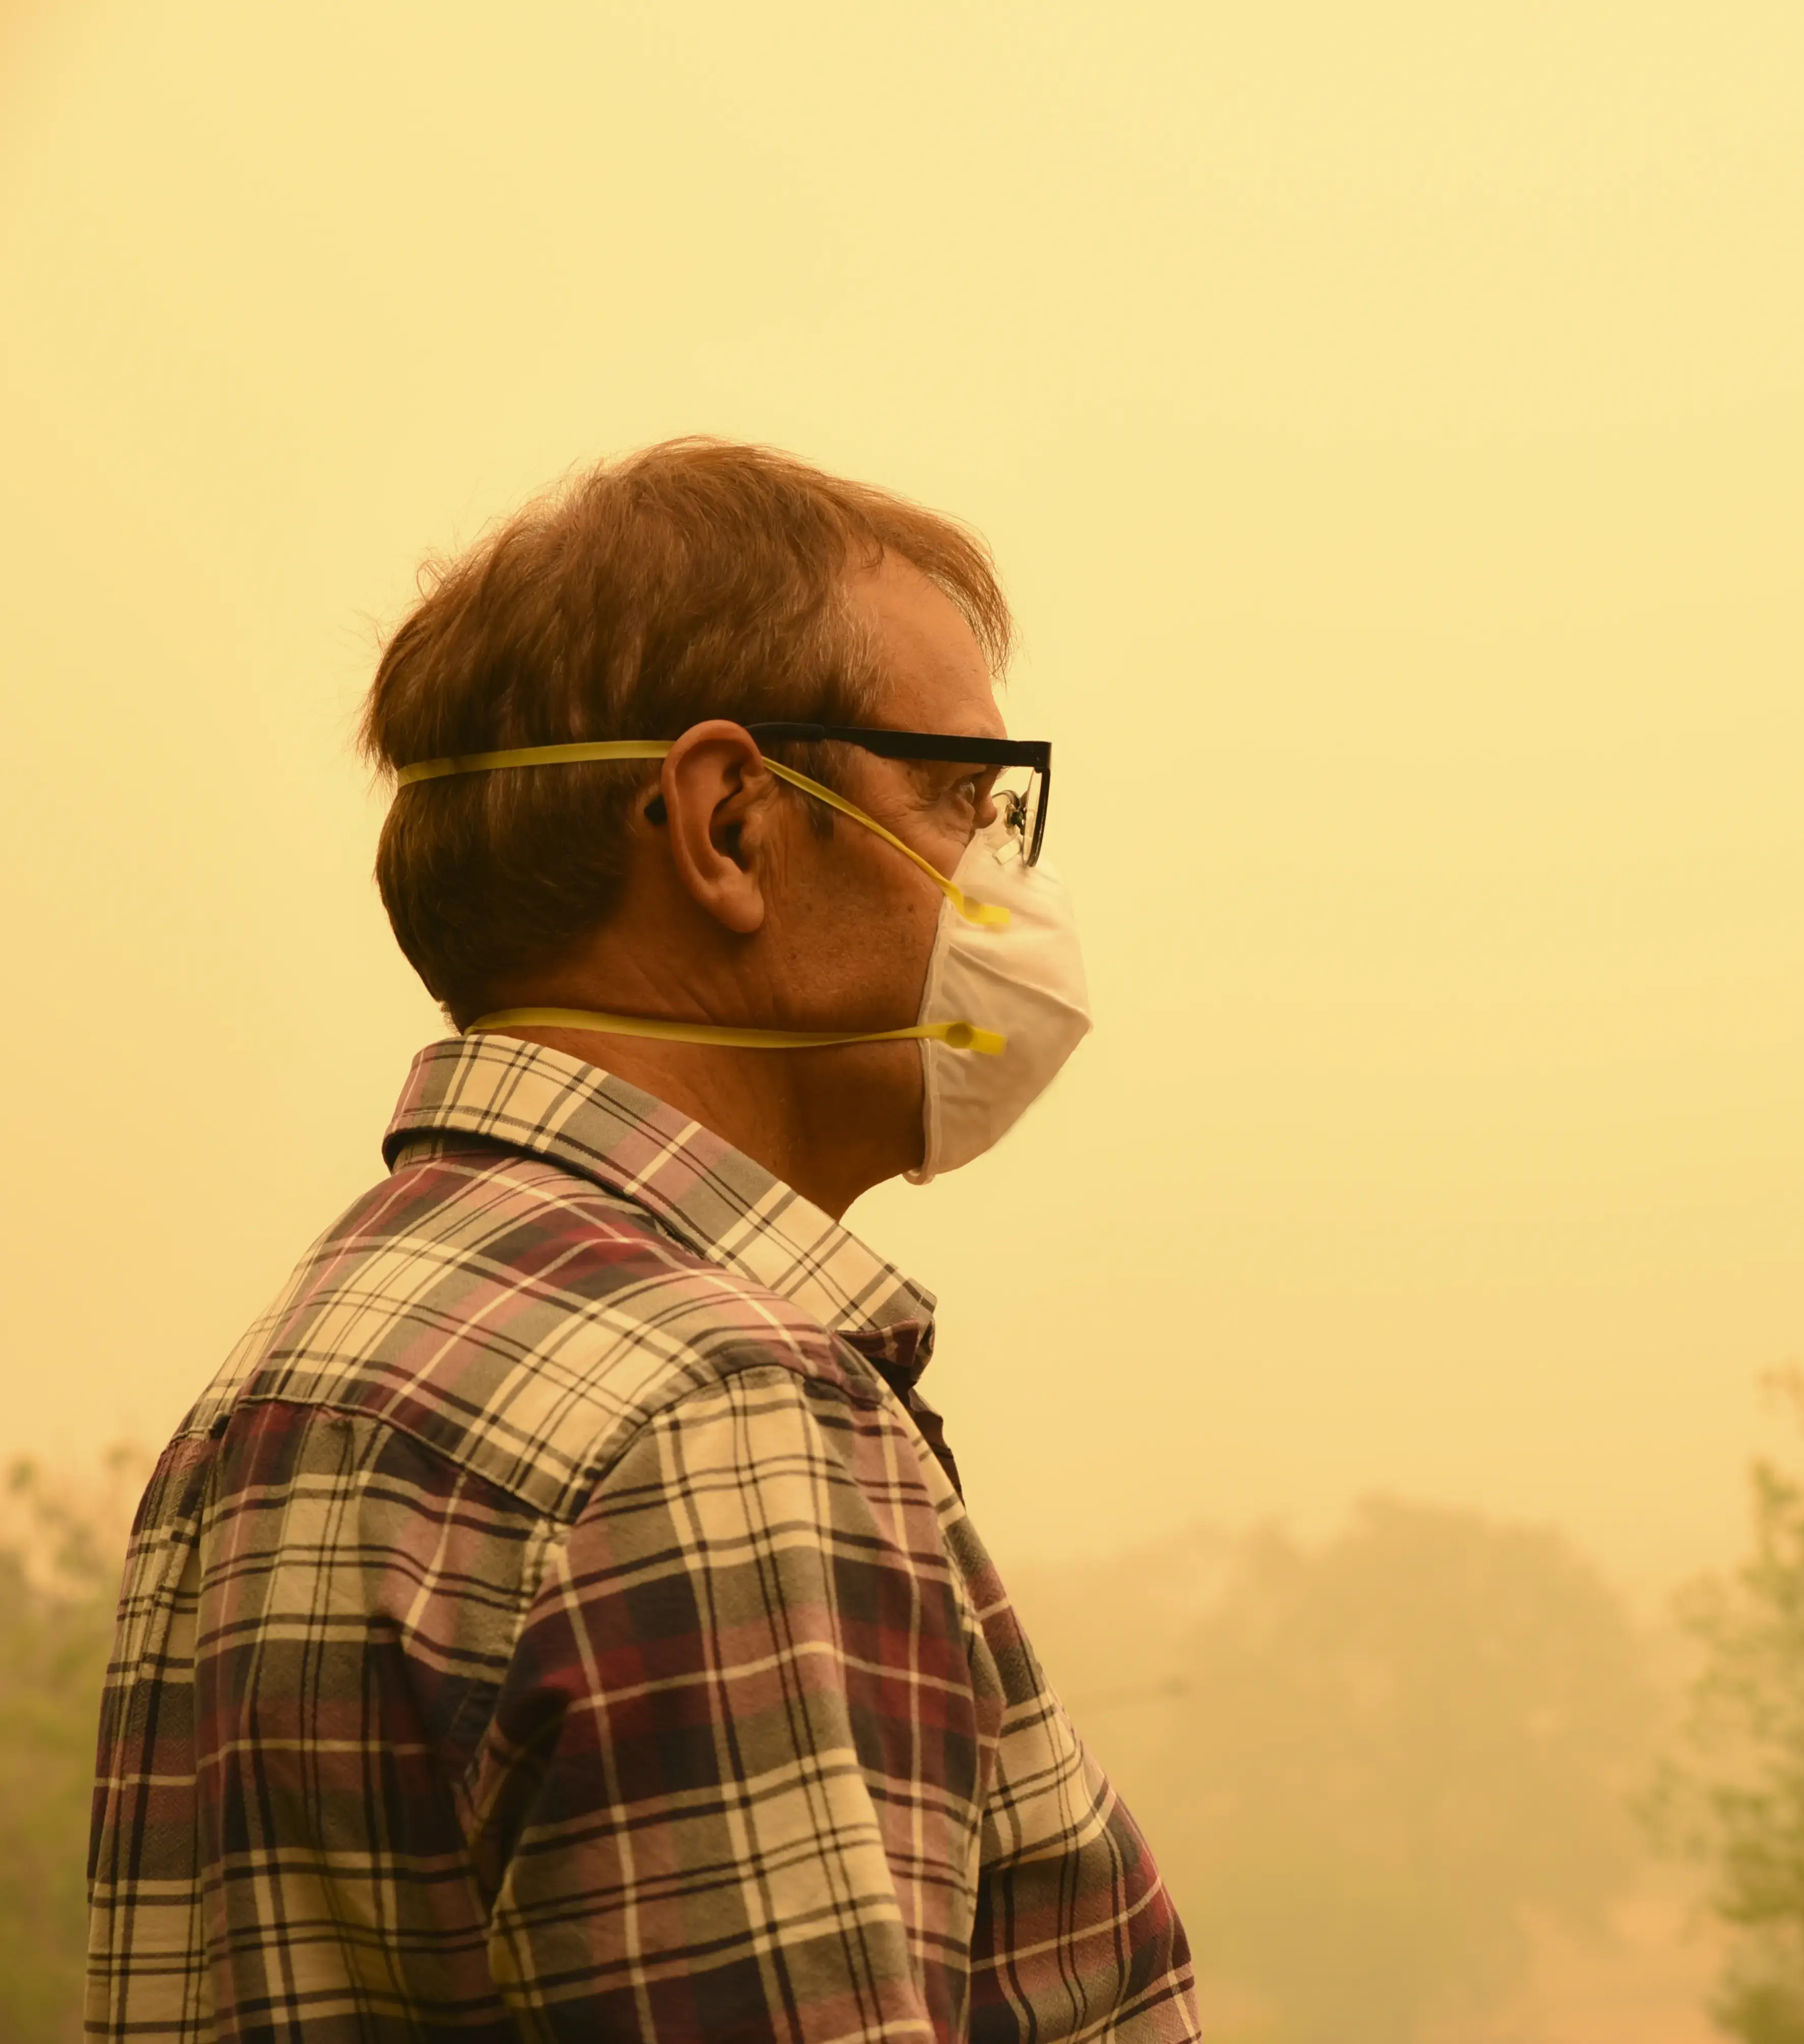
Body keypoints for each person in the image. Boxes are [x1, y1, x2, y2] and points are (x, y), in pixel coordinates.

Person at [83, 440, 1200, 2041]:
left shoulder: (288, 1387)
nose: (1007, 879)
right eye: (966, 796)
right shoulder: (712, 1412)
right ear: (731, 825)